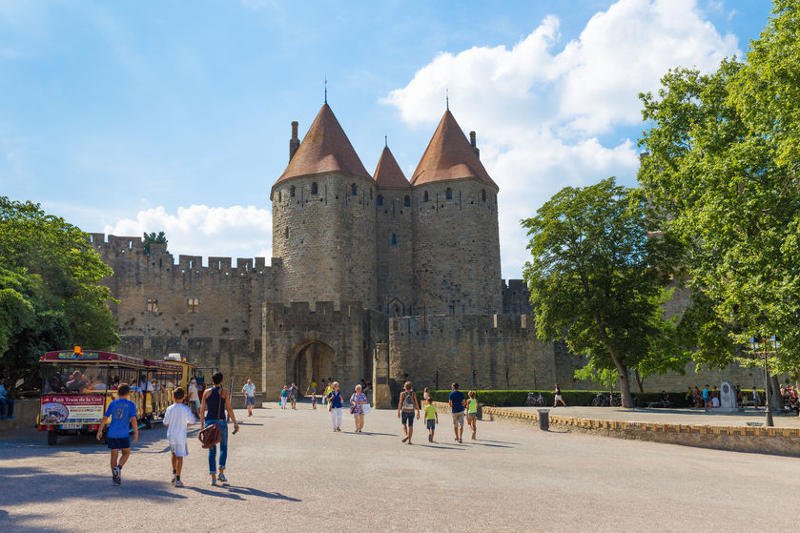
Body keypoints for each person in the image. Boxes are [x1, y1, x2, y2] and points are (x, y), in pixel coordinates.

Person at [200, 372, 240, 486]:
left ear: (212, 380)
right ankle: (221, 473)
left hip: (209, 423)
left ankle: (213, 477)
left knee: (211, 449)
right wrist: (235, 422)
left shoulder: (206, 392)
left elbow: (202, 410)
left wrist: (202, 425)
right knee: (223, 447)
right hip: (221, 422)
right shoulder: (225, 392)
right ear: (221, 380)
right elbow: (229, 408)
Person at [96, 383, 138, 485]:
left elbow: (105, 418)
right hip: (123, 433)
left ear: (118, 392)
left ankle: (115, 478)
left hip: (112, 433)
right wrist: (136, 432)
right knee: (126, 453)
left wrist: (99, 430)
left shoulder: (113, 403)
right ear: (128, 393)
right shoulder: (131, 404)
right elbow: (133, 419)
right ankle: (119, 468)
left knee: (113, 455)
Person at [163, 387, 197, 487]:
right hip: (180, 435)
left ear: (173, 397)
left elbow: (165, 422)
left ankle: (174, 473)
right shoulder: (185, 408)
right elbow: (192, 421)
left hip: (171, 434)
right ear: (183, 397)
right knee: (180, 457)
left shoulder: (169, 408)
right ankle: (178, 478)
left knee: (173, 454)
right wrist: (185, 423)